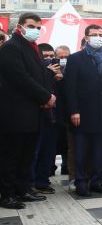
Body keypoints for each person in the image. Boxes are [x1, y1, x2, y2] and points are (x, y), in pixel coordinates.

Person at [0, 13, 55, 209]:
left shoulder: (33, 48)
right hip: (15, 113)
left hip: (33, 112)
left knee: (27, 154)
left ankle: (22, 189)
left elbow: (39, 76)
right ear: (20, 26)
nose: (35, 31)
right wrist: (45, 96)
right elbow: (20, 78)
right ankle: (6, 194)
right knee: (11, 155)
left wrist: (47, 94)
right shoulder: (11, 48)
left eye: (39, 28)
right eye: (32, 26)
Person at [64, 25, 102, 196]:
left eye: (100, 35)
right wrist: (74, 111)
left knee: (99, 151)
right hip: (82, 113)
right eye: (94, 35)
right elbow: (70, 88)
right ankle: (81, 181)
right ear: (86, 37)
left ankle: (96, 180)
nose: (97, 37)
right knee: (80, 150)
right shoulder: (75, 59)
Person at [31, 43, 61, 193]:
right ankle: (30, 183)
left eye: (52, 56)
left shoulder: (57, 73)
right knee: (34, 152)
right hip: (37, 117)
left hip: (53, 119)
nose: (49, 59)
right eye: (46, 56)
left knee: (49, 152)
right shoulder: (35, 72)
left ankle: (42, 181)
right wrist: (48, 74)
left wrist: (59, 79)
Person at [54, 45, 71, 175]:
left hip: (70, 111)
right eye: (61, 57)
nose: (64, 60)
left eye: (66, 57)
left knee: (68, 141)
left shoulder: (73, 69)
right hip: (54, 111)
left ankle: (66, 165)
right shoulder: (50, 69)